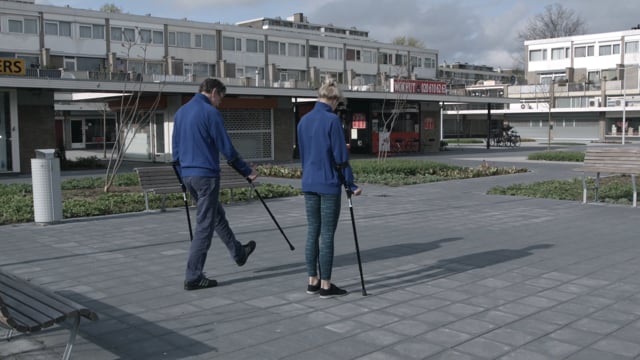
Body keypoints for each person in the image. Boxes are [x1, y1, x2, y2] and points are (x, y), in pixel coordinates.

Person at [172, 78, 258, 291]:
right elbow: (227, 149)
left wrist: (181, 178)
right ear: (213, 92)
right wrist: (247, 171)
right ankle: (193, 276)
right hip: (206, 176)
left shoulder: (181, 112)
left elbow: (175, 151)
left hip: (188, 175)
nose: (220, 102)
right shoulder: (211, 113)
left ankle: (239, 253)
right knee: (205, 225)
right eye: (221, 97)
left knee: (216, 216)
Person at [297, 79, 362, 299]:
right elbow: (340, 157)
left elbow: (304, 154)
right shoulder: (331, 120)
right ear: (333, 99)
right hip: (328, 184)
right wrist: (350, 184)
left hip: (309, 182)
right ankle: (326, 284)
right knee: (327, 235)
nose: (337, 107)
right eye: (337, 103)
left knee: (312, 232)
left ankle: (311, 281)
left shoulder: (303, 121)